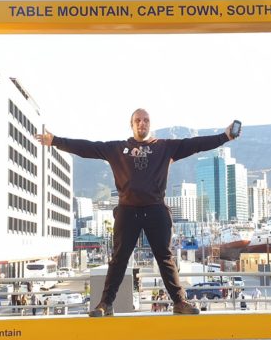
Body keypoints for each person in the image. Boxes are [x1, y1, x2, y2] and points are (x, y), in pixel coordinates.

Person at [36, 109, 238, 317]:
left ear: (150, 124)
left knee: (165, 257)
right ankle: (105, 304)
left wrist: (225, 136)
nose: (142, 123)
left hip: (156, 209)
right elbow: (87, 147)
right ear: (131, 124)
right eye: (138, 120)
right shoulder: (117, 148)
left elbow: (195, 144)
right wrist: (55, 141)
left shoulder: (165, 147)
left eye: (146, 120)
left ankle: (179, 302)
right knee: (119, 259)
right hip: (127, 210)